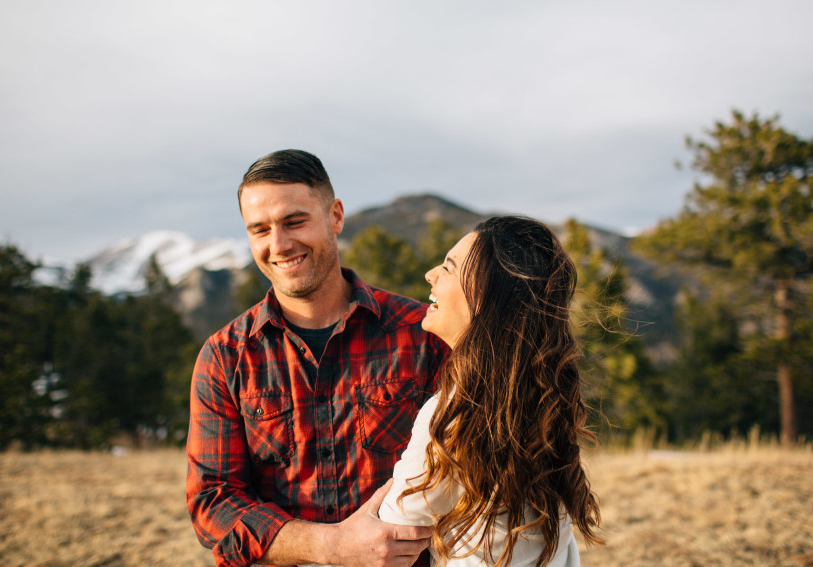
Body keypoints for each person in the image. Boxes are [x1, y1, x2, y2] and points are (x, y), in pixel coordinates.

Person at [185, 149, 448, 567]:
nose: (279, 244)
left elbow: (476, 464)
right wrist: (330, 546)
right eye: (260, 229)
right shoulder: (225, 357)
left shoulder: (423, 334)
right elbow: (213, 501)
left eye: (294, 221)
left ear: (336, 217)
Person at [378, 216, 603, 566]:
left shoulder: (454, 413)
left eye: (449, 268)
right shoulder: (540, 400)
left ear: (485, 298)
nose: (431, 274)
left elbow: (394, 530)